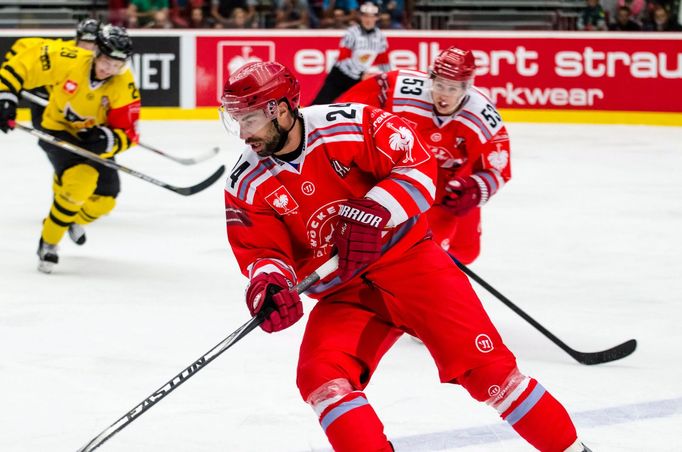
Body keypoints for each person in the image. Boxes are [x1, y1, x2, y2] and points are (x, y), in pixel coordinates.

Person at [220, 60, 592, 452]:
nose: (244, 134)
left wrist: (375, 210)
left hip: (412, 264)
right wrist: (269, 283)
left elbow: (416, 164)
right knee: (321, 377)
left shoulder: (348, 124)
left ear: (279, 108)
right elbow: (263, 249)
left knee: (491, 374)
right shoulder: (246, 181)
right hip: (344, 293)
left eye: (250, 119)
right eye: (236, 120)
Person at [337, 47, 509, 264]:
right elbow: (350, 111)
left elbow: (497, 166)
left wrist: (475, 188)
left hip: (447, 188)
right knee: (412, 258)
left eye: (453, 88)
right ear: (431, 78)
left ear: (467, 86)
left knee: (465, 252)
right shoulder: (397, 88)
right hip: (400, 175)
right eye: (439, 85)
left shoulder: (481, 115)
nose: (444, 94)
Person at [0, 25, 140, 273]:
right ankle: (49, 242)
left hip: (91, 138)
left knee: (105, 200)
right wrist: (6, 95)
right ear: (97, 52)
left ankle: (66, 220)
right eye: (106, 60)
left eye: (117, 64)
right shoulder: (70, 59)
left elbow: (129, 132)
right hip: (57, 130)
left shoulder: (123, 85)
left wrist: (108, 139)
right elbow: (26, 59)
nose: (109, 68)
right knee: (80, 182)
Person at [1, 18, 101, 130]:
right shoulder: (60, 51)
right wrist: (10, 88)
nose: (88, 48)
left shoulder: (102, 67)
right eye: (84, 42)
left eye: (94, 44)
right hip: (44, 97)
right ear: (77, 39)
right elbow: (22, 46)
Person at [311, 1, 390, 105]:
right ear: (360, 17)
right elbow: (343, 58)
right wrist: (361, 73)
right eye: (365, 16)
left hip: (359, 79)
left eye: (371, 16)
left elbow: (383, 62)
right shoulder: (352, 33)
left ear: (377, 18)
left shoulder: (380, 37)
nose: (368, 20)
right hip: (340, 75)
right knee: (320, 103)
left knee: (366, 105)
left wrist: (389, 79)